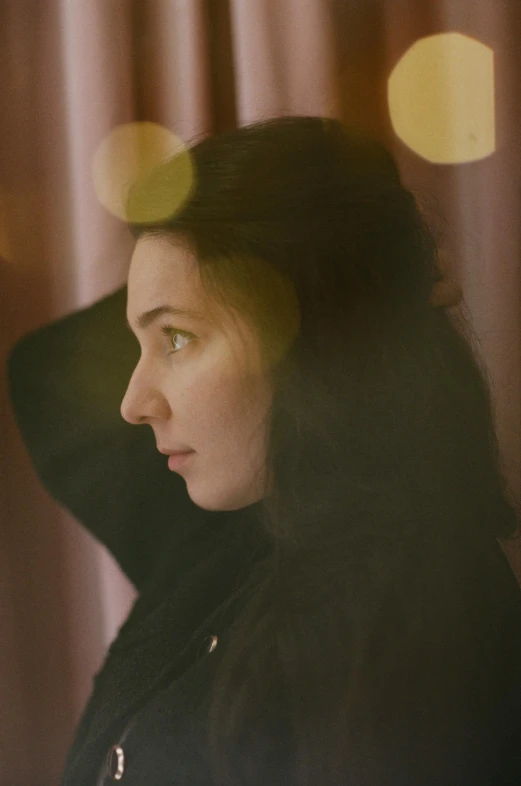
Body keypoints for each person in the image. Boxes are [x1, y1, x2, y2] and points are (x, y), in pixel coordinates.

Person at [7, 116, 521, 786]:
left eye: (179, 340)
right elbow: (45, 375)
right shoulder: (224, 531)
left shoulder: (408, 627)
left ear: (314, 341)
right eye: (142, 344)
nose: (133, 404)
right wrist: (363, 272)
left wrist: (345, 292)